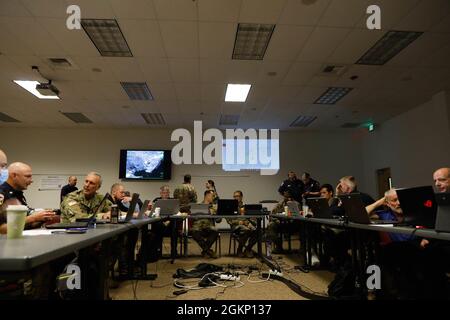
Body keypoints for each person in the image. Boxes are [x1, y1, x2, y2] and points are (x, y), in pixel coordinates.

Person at [0, 162, 56, 234]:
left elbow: (22, 225)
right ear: (14, 175)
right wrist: (33, 218)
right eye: (27, 176)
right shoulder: (2, 194)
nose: (31, 180)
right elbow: (2, 229)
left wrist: (42, 218)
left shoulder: (17, 193)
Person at [226, 191, 257, 258]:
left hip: (246, 225)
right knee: (246, 231)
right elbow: (229, 220)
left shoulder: (245, 206)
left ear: (241, 197)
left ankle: (247, 249)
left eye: (237, 196)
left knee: (257, 232)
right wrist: (239, 222)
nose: (235, 198)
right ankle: (239, 250)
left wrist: (249, 222)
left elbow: (251, 217)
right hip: (235, 226)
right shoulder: (230, 207)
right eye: (234, 196)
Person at [191, 190, 219, 259]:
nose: (214, 197)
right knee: (194, 233)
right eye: (212, 196)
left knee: (215, 232)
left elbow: (218, 220)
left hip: (208, 227)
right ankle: (208, 251)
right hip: (198, 228)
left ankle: (205, 251)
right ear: (207, 196)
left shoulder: (214, 207)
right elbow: (193, 218)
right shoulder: (198, 205)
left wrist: (215, 214)